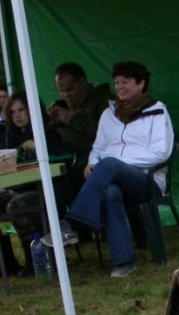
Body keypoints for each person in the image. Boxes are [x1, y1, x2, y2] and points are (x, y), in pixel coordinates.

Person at [65, 61, 173, 278]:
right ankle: (124, 261)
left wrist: (118, 162)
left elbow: (162, 152)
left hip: (146, 181)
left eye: (126, 82)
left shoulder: (157, 111)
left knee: (110, 164)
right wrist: (92, 163)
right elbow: (97, 148)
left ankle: (72, 223)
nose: (120, 87)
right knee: (109, 193)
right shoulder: (109, 114)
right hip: (112, 177)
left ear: (141, 83)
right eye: (117, 82)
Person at [0, 90, 70, 279]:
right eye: (13, 112)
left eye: (22, 110)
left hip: (49, 191)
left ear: (32, 110)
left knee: (16, 205)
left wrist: (40, 148)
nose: (18, 115)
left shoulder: (46, 132)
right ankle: (5, 262)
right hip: (17, 189)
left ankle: (36, 260)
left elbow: (62, 158)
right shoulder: (10, 136)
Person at [48, 62, 112, 158]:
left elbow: (109, 135)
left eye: (70, 89)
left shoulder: (104, 101)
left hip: (95, 159)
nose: (66, 95)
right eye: (61, 91)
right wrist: (54, 124)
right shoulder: (62, 104)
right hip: (66, 159)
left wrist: (74, 120)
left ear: (82, 81)